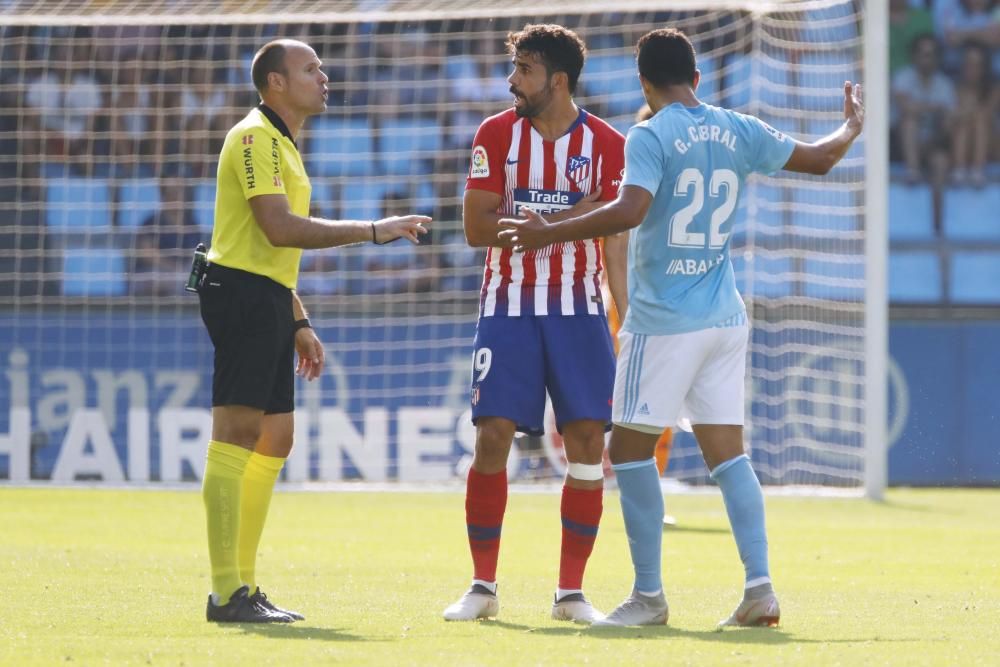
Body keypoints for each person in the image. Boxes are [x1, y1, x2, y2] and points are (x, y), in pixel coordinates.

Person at [499, 27, 864, 627]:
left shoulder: (649, 133)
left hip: (665, 321)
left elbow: (631, 210)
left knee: (629, 448)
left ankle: (648, 597)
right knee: (729, 458)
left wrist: (549, 228)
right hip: (724, 317)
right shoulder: (738, 127)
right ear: (697, 79)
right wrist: (850, 126)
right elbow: (821, 159)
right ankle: (759, 589)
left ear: (642, 81)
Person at [199, 38, 430, 624]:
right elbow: (276, 229)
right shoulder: (253, 137)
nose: (323, 76)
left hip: (268, 296)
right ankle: (227, 592)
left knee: (276, 438)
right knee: (238, 433)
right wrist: (373, 230)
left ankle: (245, 586)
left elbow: (269, 249)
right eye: (310, 68)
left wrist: (298, 317)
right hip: (242, 295)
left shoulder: (284, 143)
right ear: (275, 82)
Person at [442, 24, 628, 624]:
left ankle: (570, 594)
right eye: (513, 67)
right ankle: (482, 587)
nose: (511, 80)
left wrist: (539, 223)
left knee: (585, 445)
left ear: (558, 79)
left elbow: (616, 218)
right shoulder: (495, 133)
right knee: (492, 435)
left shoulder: (607, 143)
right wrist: (568, 218)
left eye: (523, 69)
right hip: (507, 306)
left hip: (580, 309)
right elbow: (475, 227)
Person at [891, 34, 955, 185]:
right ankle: (912, 171)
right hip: (899, 144)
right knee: (910, 122)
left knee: (941, 162)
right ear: (914, 56)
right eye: (925, 54)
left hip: (931, 143)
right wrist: (935, 108)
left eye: (933, 54)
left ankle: (938, 208)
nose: (929, 59)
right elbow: (906, 108)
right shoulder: (902, 77)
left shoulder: (945, 84)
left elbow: (949, 120)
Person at [132, 176, 204, 296]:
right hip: (155, 272)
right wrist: (171, 267)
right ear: (164, 197)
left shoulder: (191, 224)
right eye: (172, 193)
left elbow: (196, 253)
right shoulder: (151, 222)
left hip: (182, 274)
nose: (175, 197)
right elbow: (145, 253)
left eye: (179, 193)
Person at [951, 42, 998, 187]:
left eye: (977, 65)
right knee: (963, 123)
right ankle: (960, 170)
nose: (972, 69)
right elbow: (951, 119)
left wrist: (967, 110)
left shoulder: (995, 89)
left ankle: (978, 171)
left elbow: (987, 114)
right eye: (969, 64)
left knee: (979, 119)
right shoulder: (955, 88)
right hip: (962, 142)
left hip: (991, 144)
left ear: (984, 68)